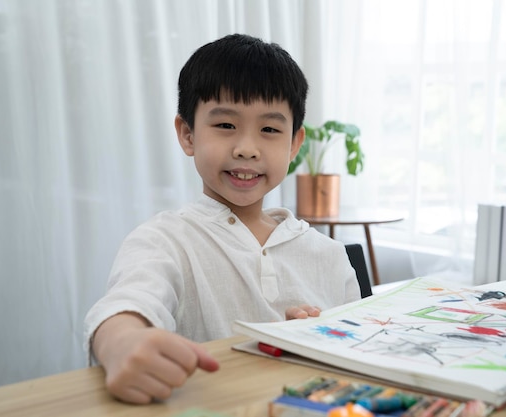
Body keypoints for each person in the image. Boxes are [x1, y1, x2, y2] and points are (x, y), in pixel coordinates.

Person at [84, 33, 361, 405]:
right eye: (226, 125)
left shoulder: (328, 255)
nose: (246, 148)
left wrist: (315, 341)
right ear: (187, 134)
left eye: (269, 129)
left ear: (294, 144)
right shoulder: (164, 240)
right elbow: (128, 304)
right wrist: (122, 341)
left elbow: (356, 358)